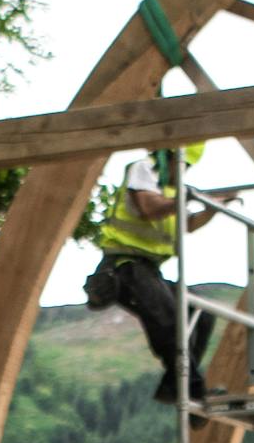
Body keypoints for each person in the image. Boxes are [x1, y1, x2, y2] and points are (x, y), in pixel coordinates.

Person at [84, 141, 215, 400]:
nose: (184, 171)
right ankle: (192, 388)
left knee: (201, 313)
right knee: (168, 319)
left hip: (150, 269)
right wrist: (181, 199)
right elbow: (149, 207)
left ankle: (175, 385)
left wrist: (213, 208)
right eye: (184, 165)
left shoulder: (170, 189)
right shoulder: (144, 170)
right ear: (171, 158)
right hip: (124, 266)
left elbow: (188, 223)